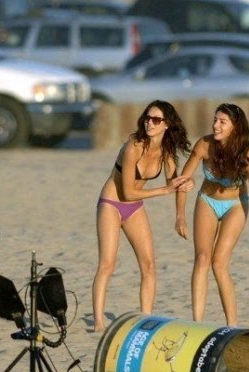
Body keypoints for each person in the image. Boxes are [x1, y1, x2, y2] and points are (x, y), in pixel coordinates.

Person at [92, 100, 193, 332]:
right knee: (107, 264)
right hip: (112, 204)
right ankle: (99, 321)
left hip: (134, 207)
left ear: (166, 124)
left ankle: (146, 317)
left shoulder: (167, 151)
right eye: (147, 118)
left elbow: (174, 183)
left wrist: (180, 214)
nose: (150, 123)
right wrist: (164, 190)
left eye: (156, 120)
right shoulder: (133, 147)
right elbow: (127, 192)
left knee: (149, 265)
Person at [176, 103, 249, 326]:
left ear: (235, 127)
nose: (215, 125)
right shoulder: (204, 145)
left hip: (236, 205)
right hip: (207, 201)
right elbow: (183, 180)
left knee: (219, 263)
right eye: (215, 120)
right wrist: (180, 215)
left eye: (222, 122)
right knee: (202, 259)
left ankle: (232, 325)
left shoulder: (247, 154)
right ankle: (197, 323)